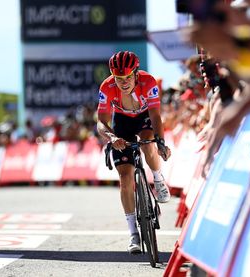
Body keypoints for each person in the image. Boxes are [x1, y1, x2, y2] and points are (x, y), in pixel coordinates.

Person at [96, 50, 172, 254]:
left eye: (128, 77)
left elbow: (156, 116)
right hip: (121, 123)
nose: (123, 82)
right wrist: (112, 138)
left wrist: (161, 142)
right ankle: (133, 234)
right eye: (119, 78)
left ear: (136, 73)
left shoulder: (148, 82)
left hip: (144, 117)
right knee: (125, 178)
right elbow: (101, 122)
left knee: (148, 144)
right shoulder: (107, 86)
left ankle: (157, 178)